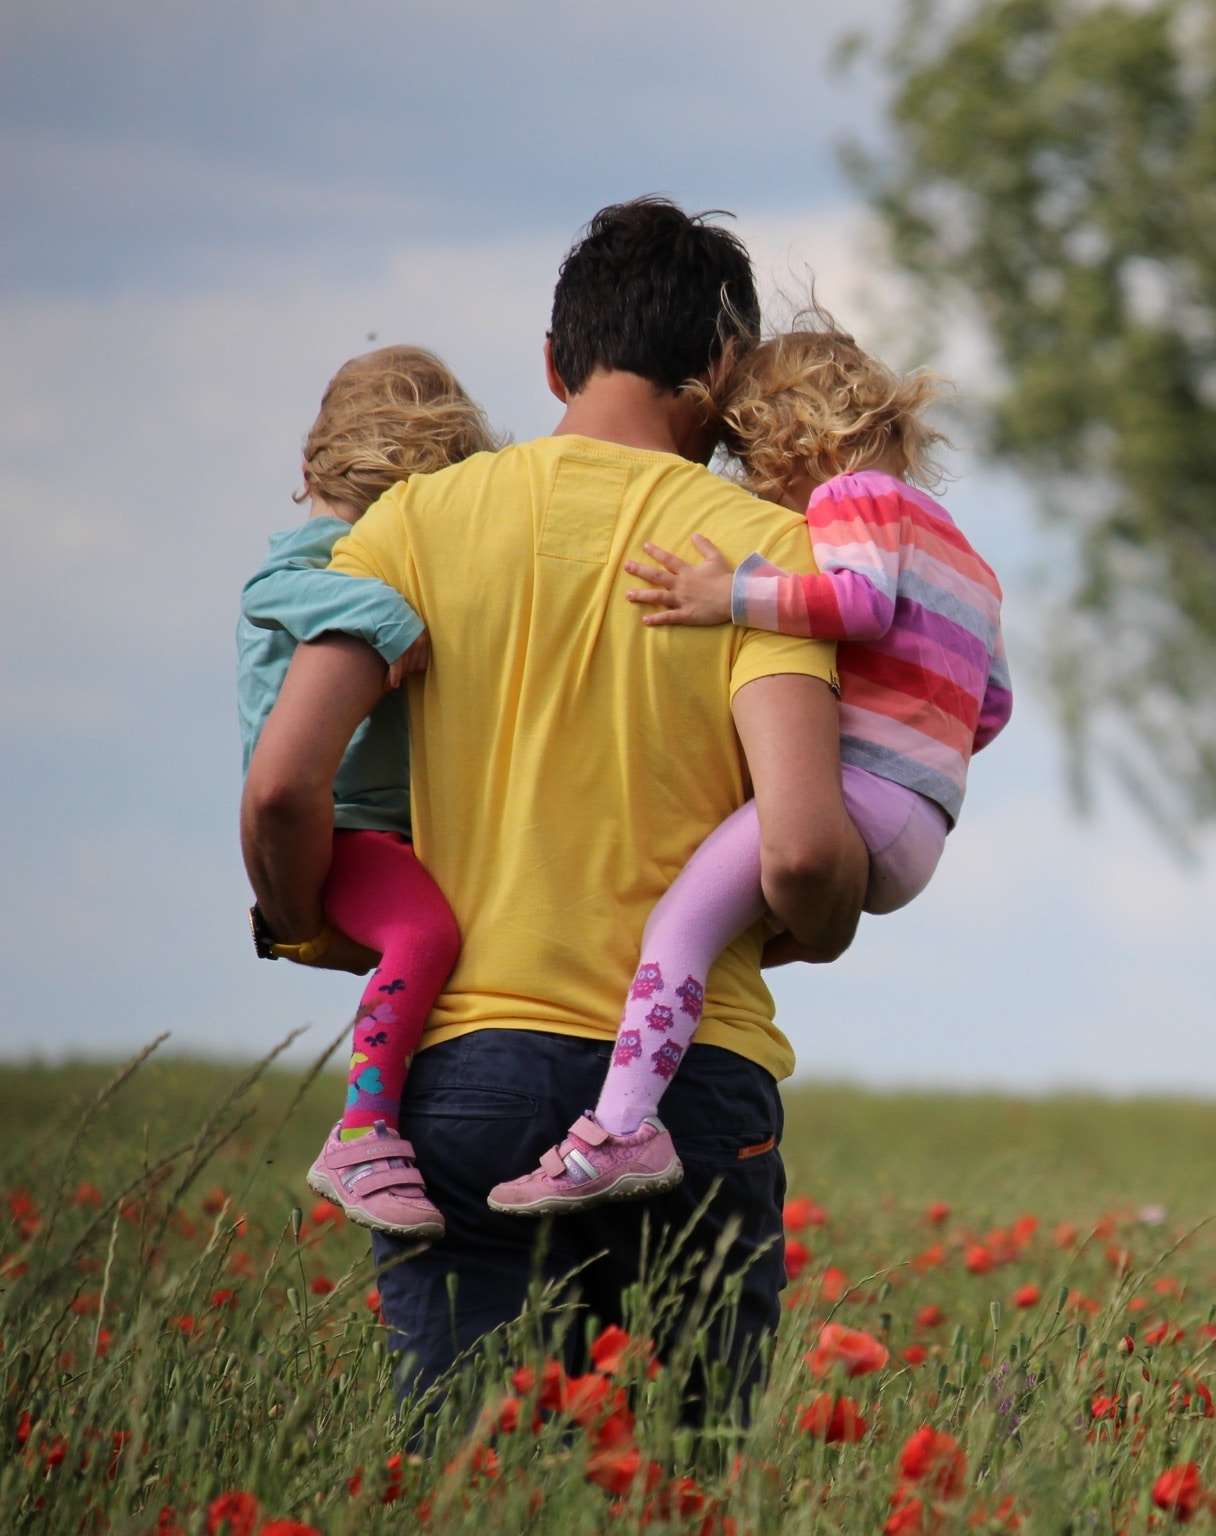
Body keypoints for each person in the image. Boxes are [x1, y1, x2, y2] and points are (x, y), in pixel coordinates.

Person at [241, 197, 867, 1398]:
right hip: (692, 1084)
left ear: (551, 361)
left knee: (473, 1481)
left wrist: (310, 919)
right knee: (686, 1480)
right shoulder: (761, 554)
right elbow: (798, 851)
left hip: (464, 1071)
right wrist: (823, 923)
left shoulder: (409, 526)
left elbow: (281, 787)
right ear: (724, 369)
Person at [487, 319, 1012, 1215]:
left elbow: (857, 602)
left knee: (678, 928)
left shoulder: (853, 500)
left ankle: (620, 1129)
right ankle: (648, 1087)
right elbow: (991, 706)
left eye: (751, 458)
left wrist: (726, 594)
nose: (755, 485)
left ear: (792, 438)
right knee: (724, 931)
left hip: (858, 796)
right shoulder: (967, 554)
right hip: (923, 822)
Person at [238, 346, 498, 1240]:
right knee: (426, 933)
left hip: (388, 828)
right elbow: (272, 589)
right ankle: (363, 1130)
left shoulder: (361, 545)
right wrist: (387, 616)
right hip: (344, 827)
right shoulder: (321, 556)